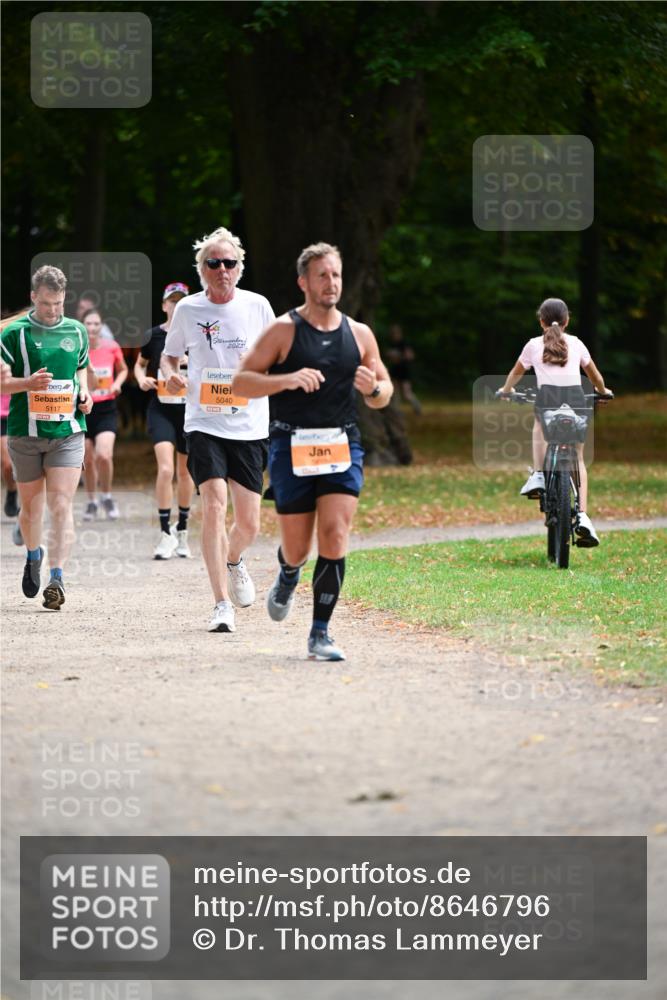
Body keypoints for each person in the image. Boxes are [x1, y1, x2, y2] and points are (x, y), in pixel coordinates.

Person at [232, 241, 393, 661]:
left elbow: (384, 392)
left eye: (336, 274)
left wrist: (373, 389)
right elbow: (241, 382)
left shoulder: (359, 334)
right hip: (291, 444)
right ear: (304, 281)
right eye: (322, 275)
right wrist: (285, 380)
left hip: (342, 443)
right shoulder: (284, 331)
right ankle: (289, 570)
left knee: (336, 533)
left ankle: (320, 632)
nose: (331, 282)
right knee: (299, 547)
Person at [161, 227, 275, 632]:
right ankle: (220, 604)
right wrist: (172, 376)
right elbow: (170, 357)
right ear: (202, 269)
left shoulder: (258, 306)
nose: (222, 269)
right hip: (203, 419)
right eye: (214, 263)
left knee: (249, 523)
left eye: (229, 263)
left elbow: (276, 357)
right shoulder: (188, 310)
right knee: (212, 503)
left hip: (248, 424)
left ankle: (234, 559)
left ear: (240, 268)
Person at [0, 265, 92, 610]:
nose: (53, 310)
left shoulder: (77, 330)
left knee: (61, 504)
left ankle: (56, 578)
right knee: (31, 509)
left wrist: (85, 392)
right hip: (25, 432)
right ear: (33, 297)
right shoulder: (13, 334)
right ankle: (32, 554)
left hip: (68, 431)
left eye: (58, 303)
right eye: (46, 303)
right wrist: (27, 384)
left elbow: (81, 368)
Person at [499, 296, 613, 547]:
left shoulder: (532, 345)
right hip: (576, 399)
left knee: (539, 424)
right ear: (567, 320)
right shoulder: (576, 343)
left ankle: (539, 474)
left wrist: (506, 390)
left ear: (541, 321)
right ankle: (582, 515)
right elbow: (594, 375)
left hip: (548, 397)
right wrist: (603, 391)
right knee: (578, 459)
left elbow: (517, 372)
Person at [134, 281, 195, 559]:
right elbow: (139, 363)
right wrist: (141, 379)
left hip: (188, 411)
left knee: (185, 472)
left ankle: (182, 529)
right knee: (166, 470)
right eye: (172, 300)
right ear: (164, 305)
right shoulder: (153, 335)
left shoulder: (197, 335)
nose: (176, 305)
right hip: (160, 408)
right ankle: (164, 533)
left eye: (181, 300)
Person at [81, 308, 128, 520]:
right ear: (82, 327)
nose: (92, 327)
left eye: (95, 324)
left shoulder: (111, 347)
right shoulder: (78, 350)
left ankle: (107, 496)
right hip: (82, 410)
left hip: (106, 409)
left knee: (104, 455)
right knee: (87, 460)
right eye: (88, 324)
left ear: (101, 327)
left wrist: (117, 384)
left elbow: (124, 369)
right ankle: (91, 501)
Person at [386, 323, 421, 415]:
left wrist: (398, 356)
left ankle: (417, 407)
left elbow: (410, 356)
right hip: (395, 370)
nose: (394, 335)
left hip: (404, 370)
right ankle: (396, 411)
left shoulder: (404, 343)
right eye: (392, 333)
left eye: (395, 333)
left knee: (407, 394)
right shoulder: (392, 344)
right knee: (394, 392)